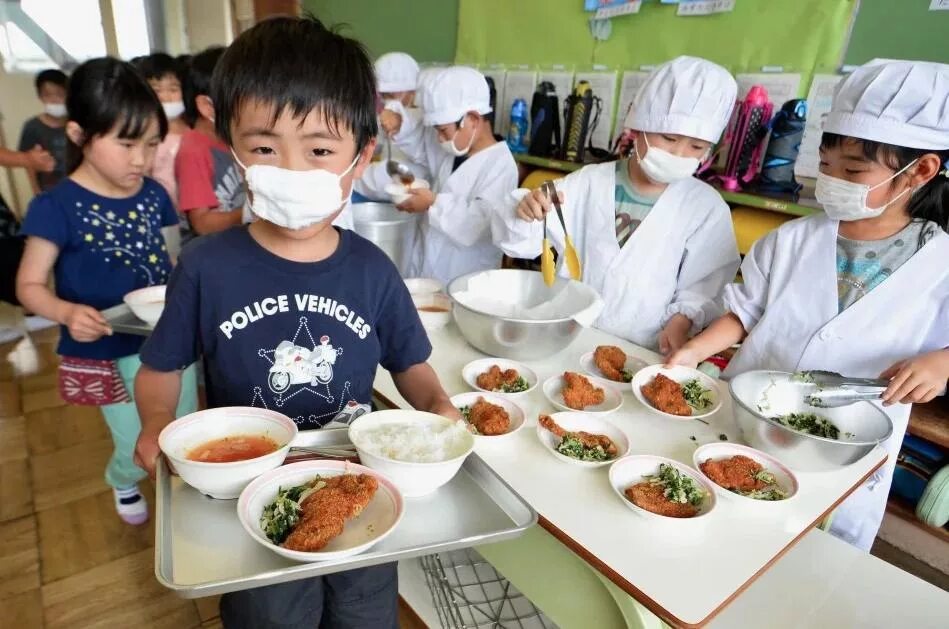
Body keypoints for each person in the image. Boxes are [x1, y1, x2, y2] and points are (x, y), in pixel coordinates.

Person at [131, 16, 459, 628]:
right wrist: (155, 423)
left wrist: (438, 407)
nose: (290, 170)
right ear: (235, 152)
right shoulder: (205, 267)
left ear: (359, 159)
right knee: (271, 616)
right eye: (264, 148)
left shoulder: (372, 270)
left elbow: (411, 366)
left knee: (364, 611)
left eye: (318, 151)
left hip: (359, 482)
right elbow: (159, 367)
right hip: (248, 492)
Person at [667, 59, 949, 551]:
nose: (832, 180)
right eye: (825, 165)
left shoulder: (941, 260)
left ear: (920, 171)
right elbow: (744, 313)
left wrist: (942, 363)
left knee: (806, 557)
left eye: (853, 170)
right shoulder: (792, 239)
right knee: (716, 534)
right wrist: (690, 355)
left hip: (848, 445)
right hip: (750, 419)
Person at [15, 57, 198, 525]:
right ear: (79, 135)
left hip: (167, 339)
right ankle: (122, 478)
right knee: (131, 436)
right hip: (106, 346)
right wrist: (66, 311)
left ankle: (182, 489)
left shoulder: (155, 195)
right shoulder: (54, 205)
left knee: (182, 424)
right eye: (126, 143)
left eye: (152, 144)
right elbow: (30, 286)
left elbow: (172, 260)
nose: (141, 159)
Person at [492, 56, 740, 354]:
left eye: (696, 147)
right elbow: (523, 243)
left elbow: (704, 284)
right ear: (639, 126)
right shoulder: (588, 184)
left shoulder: (705, 208)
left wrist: (681, 321)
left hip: (642, 349)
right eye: (669, 137)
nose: (679, 152)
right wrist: (527, 211)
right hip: (569, 334)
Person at [387, 65, 518, 285]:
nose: (439, 138)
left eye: (443, 131)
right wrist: (400, 125)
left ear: (472, 120)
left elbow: (477, 224)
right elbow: (421, 145)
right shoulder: (454, 150)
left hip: (466, 279)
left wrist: (432, 203)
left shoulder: (501, 166)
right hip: (427, 270)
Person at [175, 46, 246, 242]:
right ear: (207, 106)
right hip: (210, 259)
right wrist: (249, 214)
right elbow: (202, 224)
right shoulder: (193, 151)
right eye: (242, 100)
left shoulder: (231, 139)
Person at [353, 51, 429, 203]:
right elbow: (378, 138)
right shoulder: (384, 112)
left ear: (412, 91)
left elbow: (406, 127)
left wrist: (398, 122)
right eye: (383, 95)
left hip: (409, 193)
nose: (388, 101)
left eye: (393, 95)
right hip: (378, 190)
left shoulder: (422, 118)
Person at [18, 68, 69, 194]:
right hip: (50, 190)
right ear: (40, 97)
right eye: (48, 95)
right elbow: (29, 164)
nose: (54, 99)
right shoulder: (32, 127)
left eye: (59, 94)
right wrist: (36, 191)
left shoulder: (76, 124)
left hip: (79, 187)